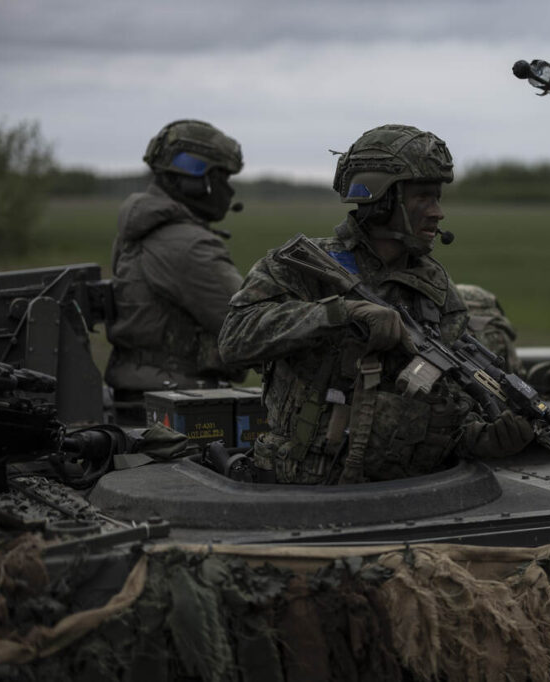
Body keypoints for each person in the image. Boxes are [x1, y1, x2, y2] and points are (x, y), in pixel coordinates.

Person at [218, 124, 533, 485]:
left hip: (407, 490)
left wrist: (483, 439)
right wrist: (338, 313)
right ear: (381, 199)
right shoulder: (302, 267)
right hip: (300, 490)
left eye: (438, 198)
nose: (438, 212)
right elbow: (234, 339)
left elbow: (449, 409)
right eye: (423, 198)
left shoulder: (437, 290)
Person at [106, 120, 246, 420]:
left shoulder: (138, 231)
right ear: (196, 179)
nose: (228, 189)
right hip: (179, 403)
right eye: (222, 176)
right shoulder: (189, 245)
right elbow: (252, 326)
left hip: (137, 397)